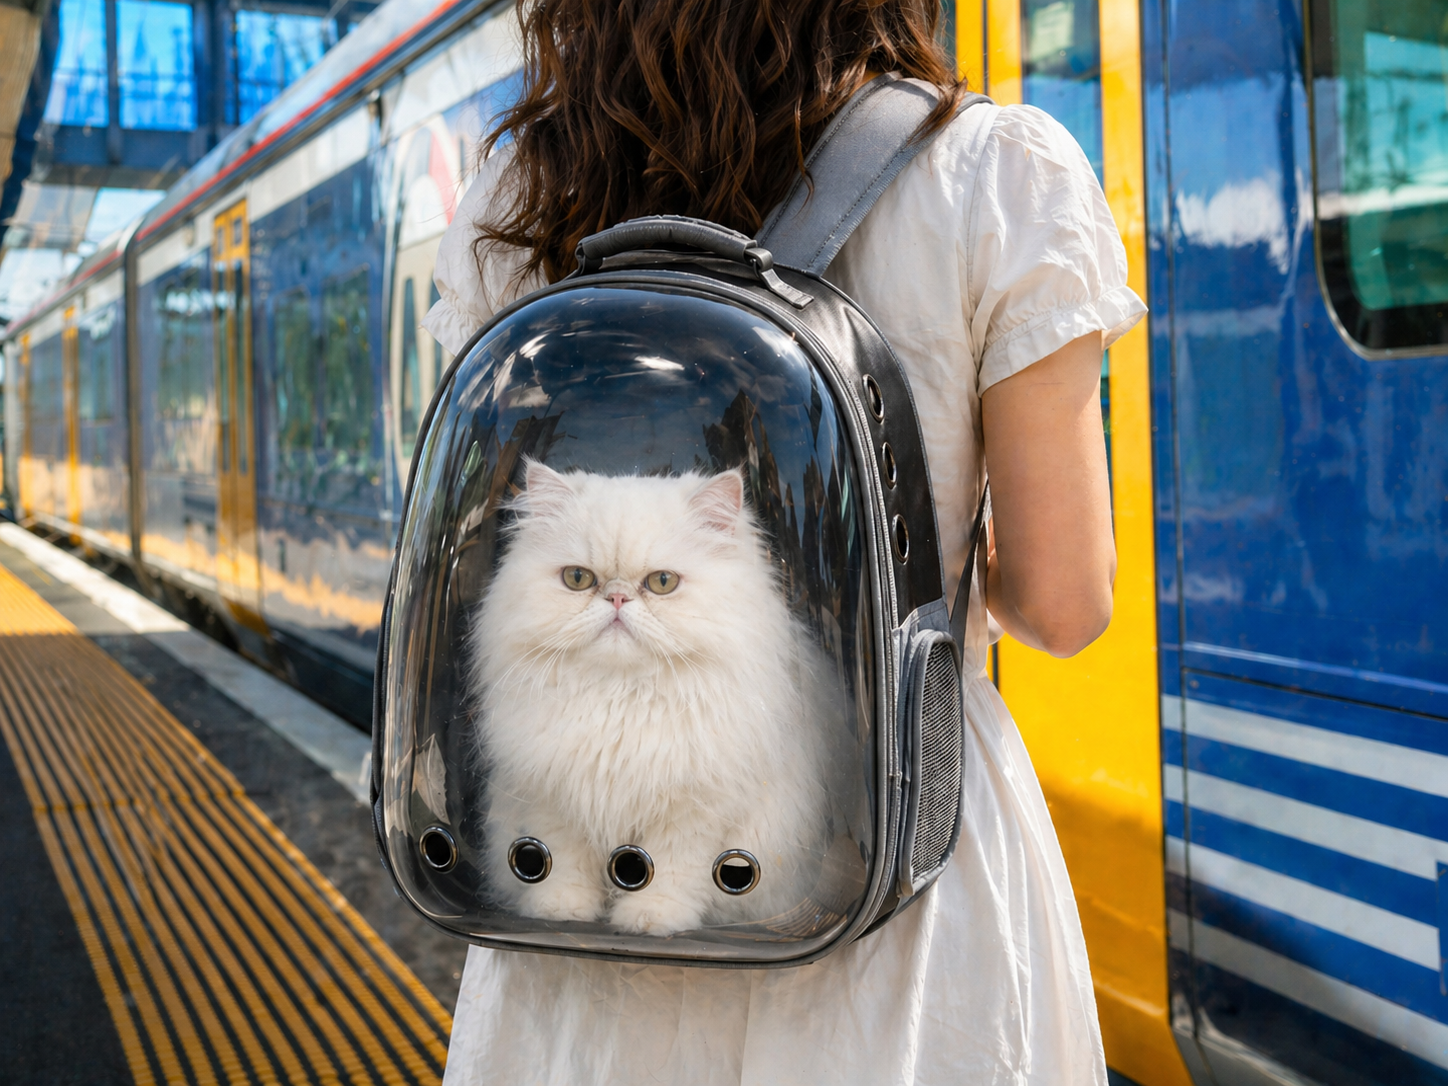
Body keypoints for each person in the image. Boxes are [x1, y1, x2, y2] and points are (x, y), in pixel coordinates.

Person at [421, 0, 1142, 1076]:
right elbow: (1062, 601)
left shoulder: (517, 199)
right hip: (892, 878)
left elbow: (476, 546)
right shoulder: (992, 175)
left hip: (582, 888)